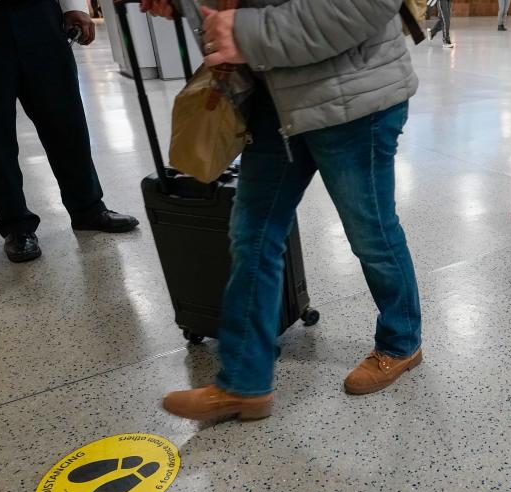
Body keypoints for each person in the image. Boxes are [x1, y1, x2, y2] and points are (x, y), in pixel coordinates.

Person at [143, 0, 424, 421]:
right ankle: (243, 383)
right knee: (252, 235)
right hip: (273, 102)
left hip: (352, 99)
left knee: (371, 232)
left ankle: (402, 342)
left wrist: (247, 32)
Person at [0, 0, 139, 264]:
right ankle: (16, 225)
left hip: (39, 15)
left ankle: (88, 208)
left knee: (66, 119)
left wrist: (73, 6)